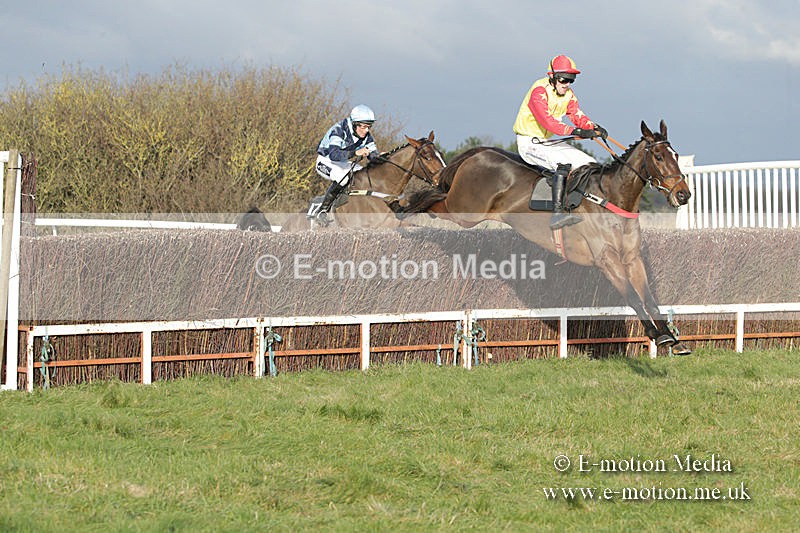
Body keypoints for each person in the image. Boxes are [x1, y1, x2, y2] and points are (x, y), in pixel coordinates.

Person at [513, 55, 608, 229]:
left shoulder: (569, 94)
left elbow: (577, 115)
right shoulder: (539, 91)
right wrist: (575, 131)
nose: (567, 84)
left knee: (589, 163)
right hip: (529, 143)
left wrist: (593, 127)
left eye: (571, 80)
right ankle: (557, 214)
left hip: (547, 142)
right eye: (564, 80)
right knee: (563, 164)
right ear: (553, 77)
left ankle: (580, 206)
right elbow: (547, 121)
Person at [312, 104, 381, 225]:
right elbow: (334, 155)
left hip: (343, 163)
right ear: (355, 124)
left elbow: (373, 155)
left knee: (363, 176)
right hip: (325, 161)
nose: (367, 130)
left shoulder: (367, 136)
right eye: (364, 127)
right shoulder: (339, 130)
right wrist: (355, 152)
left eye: (369, 127)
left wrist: (382, 157)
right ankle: (322, 211)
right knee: (343, 178)